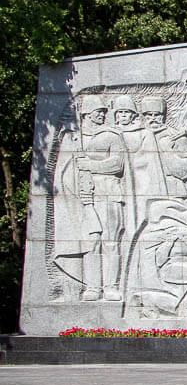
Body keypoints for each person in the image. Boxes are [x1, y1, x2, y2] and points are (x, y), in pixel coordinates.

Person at [53, 95, 129, 301]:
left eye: (104, 112)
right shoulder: (74, 137)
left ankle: (111, 286)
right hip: (85, 196)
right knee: (92, 241)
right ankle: (93, 287)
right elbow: (63, 169)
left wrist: (91, 165)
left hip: (110, 192)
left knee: (111, 241)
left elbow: (118, 164)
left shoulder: (112, 136)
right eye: (99, 111)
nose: (102, 115)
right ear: (86, 113)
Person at [143, 96, 187, 198]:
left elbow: (186, 169)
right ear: (144, 116)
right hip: (145, 190)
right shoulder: (139, 136)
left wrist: (167, 150)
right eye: (149, 115)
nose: (153, 118)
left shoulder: (175, 135)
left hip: (172, 190)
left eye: (157, 115)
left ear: (163, 116)